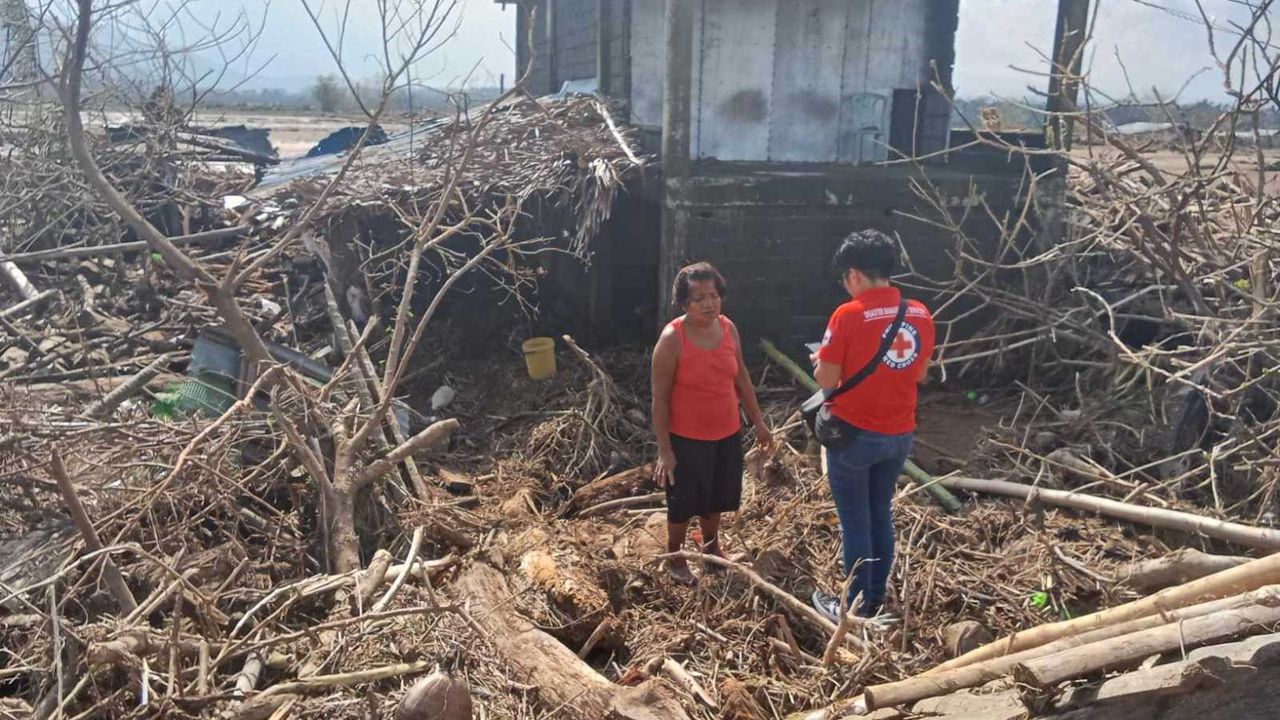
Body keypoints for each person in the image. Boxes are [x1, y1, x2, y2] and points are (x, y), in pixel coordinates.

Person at [809, 230, 934, 622]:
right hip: (899, 435)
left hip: (855, 436)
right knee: (880, 513)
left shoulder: (848, 315)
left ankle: (856, 607)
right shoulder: (919, 313)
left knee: (855, 523)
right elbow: (920, 373)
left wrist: (821, 360)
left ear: (855, 274)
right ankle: (876, 596)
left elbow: (827, 379)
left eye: (845, 278)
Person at [652, 262, 773, 585]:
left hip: (726, 432)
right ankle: (675, 556)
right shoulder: (672, 339)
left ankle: (711, 547)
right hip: (686, 437)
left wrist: (758, 422)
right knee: (683, 501)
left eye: (714, 296)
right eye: (699, 298)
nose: (709, 303)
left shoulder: (728, 328)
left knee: (718, 495)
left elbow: (741, 377)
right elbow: (659, 399)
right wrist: (665, 451)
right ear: (684, 303)